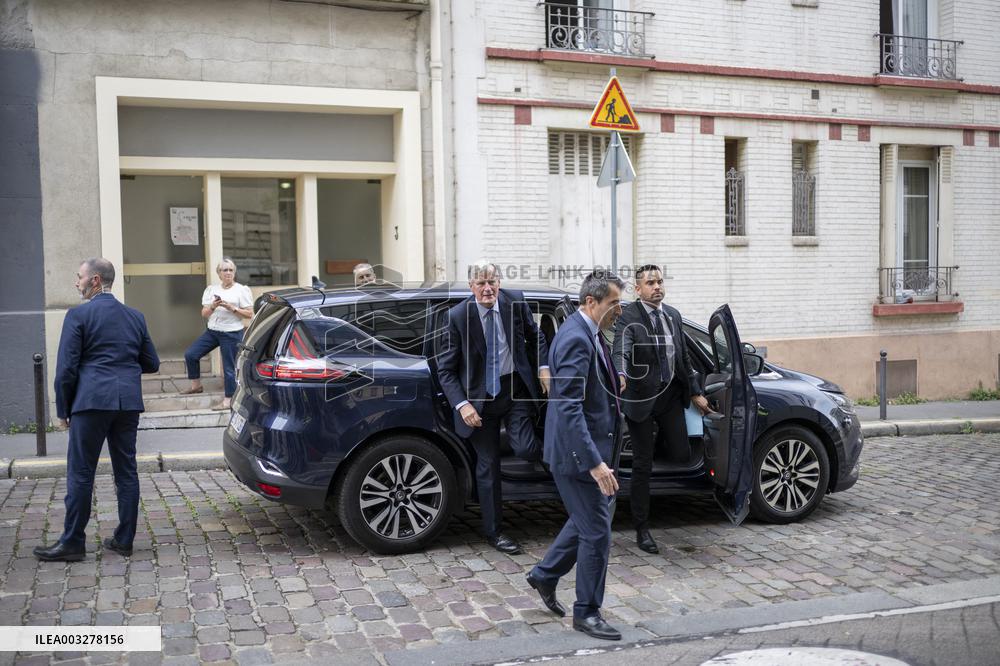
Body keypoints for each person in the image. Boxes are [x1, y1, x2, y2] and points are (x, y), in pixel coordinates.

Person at [34, 258, 159, 562]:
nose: (75, 282)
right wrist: (123, 365)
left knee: (80, 472)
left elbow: (66, 369)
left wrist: (63, 408)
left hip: (91, 402)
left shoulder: (79, 315)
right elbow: (152, 362)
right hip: (127, 403)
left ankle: (73, 542)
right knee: (126, 471)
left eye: (79, 277)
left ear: (94, 281)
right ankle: (124, 539)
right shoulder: (135, 316)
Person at [527, 270, 624, 641]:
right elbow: (567, 407)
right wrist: (594, 463)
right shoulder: (575, 339)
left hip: (591, 447)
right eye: (613, 303)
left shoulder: (590, 333)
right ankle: (587, 612)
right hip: (577, 455)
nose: (618, 309)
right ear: (591, 302)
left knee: (591, 520)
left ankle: (545, 574)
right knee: (597, 532)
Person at [436, 260, 551, 555]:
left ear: (499, 282)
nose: (488, 289)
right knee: (488, 466)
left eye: (492, 282)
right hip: (479, 402)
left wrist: (543, 365)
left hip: (514, 392)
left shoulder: (515, 302)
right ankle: (495, 532)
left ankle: (557, 470)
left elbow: (535, 335)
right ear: (471, 287)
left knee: (526, 448)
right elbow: (446, 370)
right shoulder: (458, 316)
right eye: (481, 283)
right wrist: (462, 405)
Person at [612, 264, 710, 554]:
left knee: (681, 453)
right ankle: (642, 529)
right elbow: (621, 349)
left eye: (659, 281)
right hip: (641, 400)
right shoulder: (628, 316)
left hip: (669, 397)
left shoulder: (673, 315)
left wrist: (695, 392)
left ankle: (656, 441)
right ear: (638, 289)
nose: (656, 286)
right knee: (644, 465)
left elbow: (683, 360)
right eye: (650, 283)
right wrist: (621, 373)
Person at [180, 258, 253, 410]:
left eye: (230, 270)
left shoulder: (241, 290)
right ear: (219, 274)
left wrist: (231, 308)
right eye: (224, 270)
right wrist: (213, 306)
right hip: (213, 331)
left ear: (234, 272)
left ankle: (228, 399)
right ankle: (196, 386)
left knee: (228, 367)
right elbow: (204, 313)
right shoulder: (212, 289)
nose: (228, 273)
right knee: (191, 354)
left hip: (232, 333)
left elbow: (249, 314)